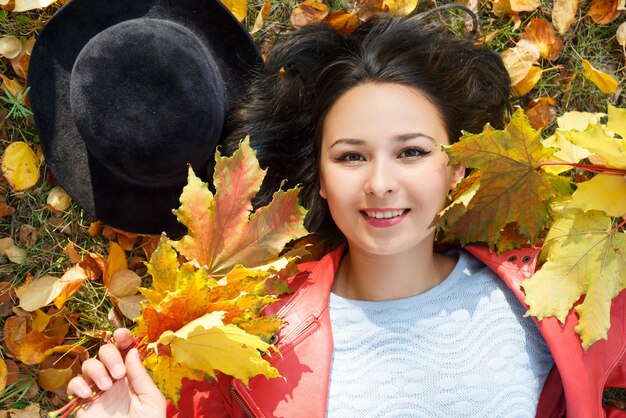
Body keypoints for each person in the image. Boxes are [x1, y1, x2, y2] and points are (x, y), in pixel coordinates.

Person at [67, 10, 626, 418]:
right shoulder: (248, 337)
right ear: (323, 184)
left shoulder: (559, 288)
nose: (381, 183)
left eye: (412, 152)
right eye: (351, 156)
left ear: (457, 168)